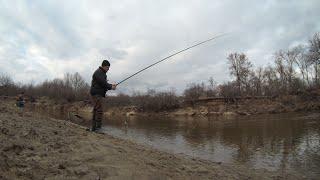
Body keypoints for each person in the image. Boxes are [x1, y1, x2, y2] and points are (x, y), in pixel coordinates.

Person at [89, 60, 117, 132]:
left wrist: (111, 86)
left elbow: (103, 85)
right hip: (96, 94)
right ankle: (98, 128)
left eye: (109, 68)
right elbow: (103, 83)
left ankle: (94, 128)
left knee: (96, 110)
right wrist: (111, 87)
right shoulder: (99, 72)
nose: (108, 69)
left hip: (97, 94)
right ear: (104, 66)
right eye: (107, 67)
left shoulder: (101, 73)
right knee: (99, 110)